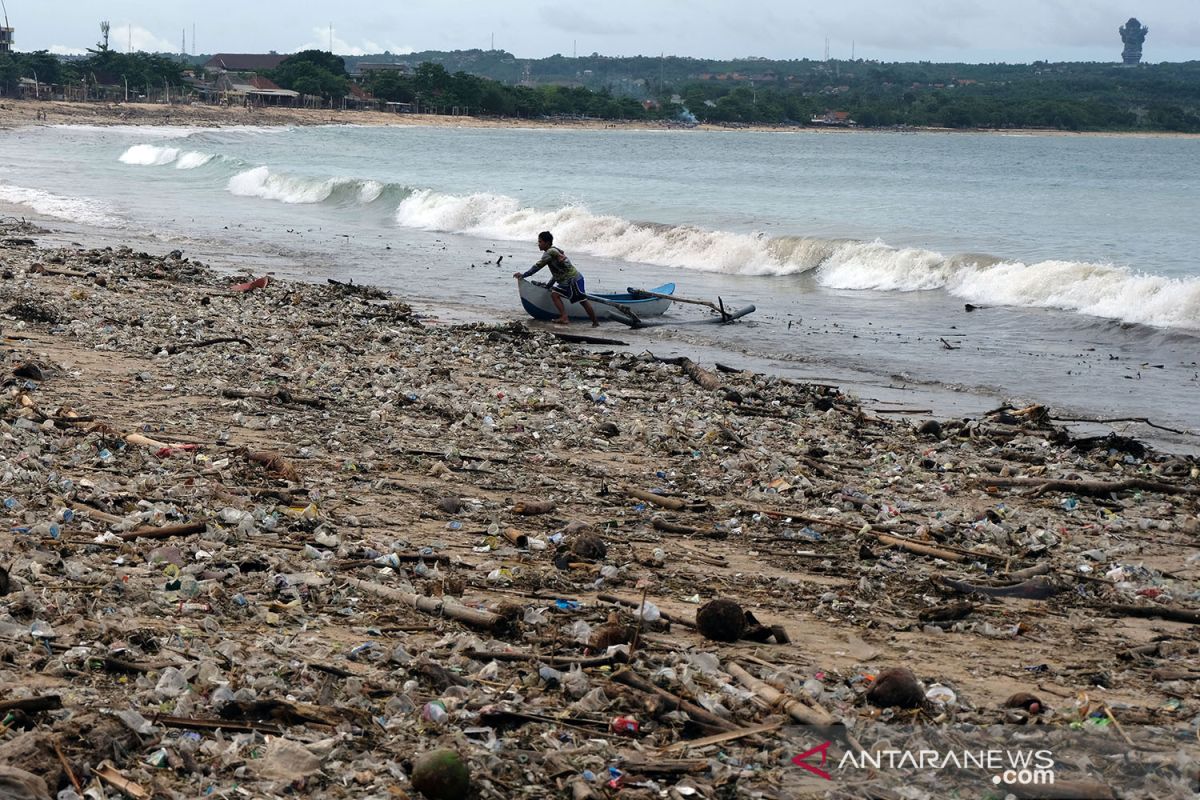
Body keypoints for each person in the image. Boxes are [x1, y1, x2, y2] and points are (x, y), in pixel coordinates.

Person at [513, 231, 599, 327]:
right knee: (554, 294)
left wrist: (524, 275)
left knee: (583, 302)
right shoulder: (553, 251)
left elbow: (537, 267)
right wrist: (549, 285)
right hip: (566, 281)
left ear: (547, 243)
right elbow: (557, 273)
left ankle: (595, 322)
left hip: (573, 280)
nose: (538, 244)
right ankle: (564, 317)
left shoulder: (549, 253)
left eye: (540, 242)